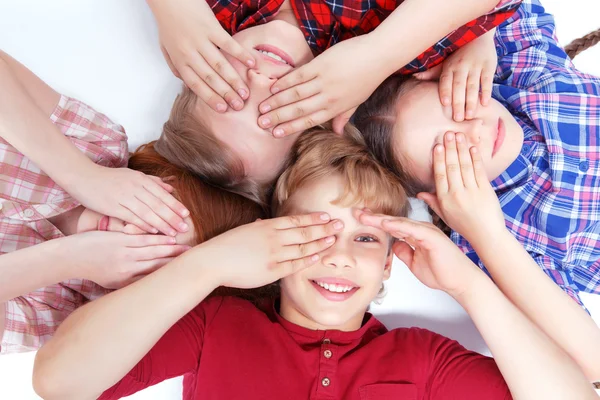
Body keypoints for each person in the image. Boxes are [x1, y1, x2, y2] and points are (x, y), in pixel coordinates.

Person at [32, 127, 599, 399]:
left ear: (389, 266)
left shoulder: (421, 359)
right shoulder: (215, 326)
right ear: (273, 241)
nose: (339, 256)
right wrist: (207, 265)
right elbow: (58, 381)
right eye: (315, 231)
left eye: (367, 241)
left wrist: (469, 285)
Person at [0, 50, 267, 354]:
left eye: (152, 249)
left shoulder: (56, 310)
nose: (130, 230)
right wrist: (81, 175)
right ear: (165, 181)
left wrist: (68, 258)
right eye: (159, 216)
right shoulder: (99, 147)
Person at [145, 0, 523, 201]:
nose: (259, 79)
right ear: (324, 120)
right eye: (276, 109)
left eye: (228, 92)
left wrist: (171, 7)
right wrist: (381, 52)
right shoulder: (388, 46)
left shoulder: (216, 11)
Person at [356, 0, 600, 309]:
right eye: (449, 150)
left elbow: (507, 7)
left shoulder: (522, 74)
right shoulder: (497, 241)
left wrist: (477, 36)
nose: (475, 131)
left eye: (457, 105)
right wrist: (486, 238)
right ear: (432, 194)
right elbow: (567, 332)